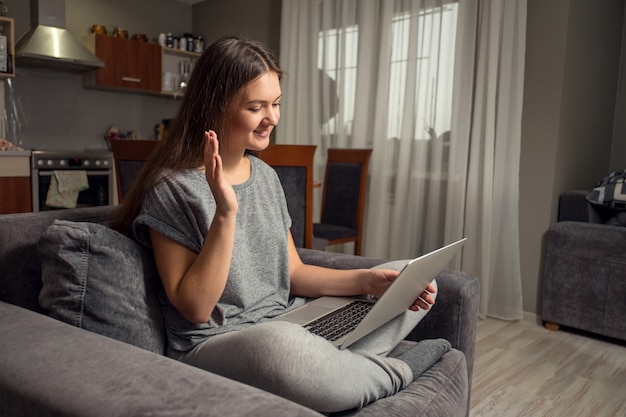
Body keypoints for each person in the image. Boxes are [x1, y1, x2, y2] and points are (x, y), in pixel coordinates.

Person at [112, 35, 450, 413]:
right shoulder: (172, 188)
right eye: (256, 107)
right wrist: (225, 213)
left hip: (289, 319)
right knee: (285, 351)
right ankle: (398, 370)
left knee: (412, 276)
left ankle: (339, 371)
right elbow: (195, 308)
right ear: (215, 107)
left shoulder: (267, 176)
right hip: (220, 344)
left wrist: (367, 281)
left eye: (275, 104)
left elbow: (294, 271)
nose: (272, 117)